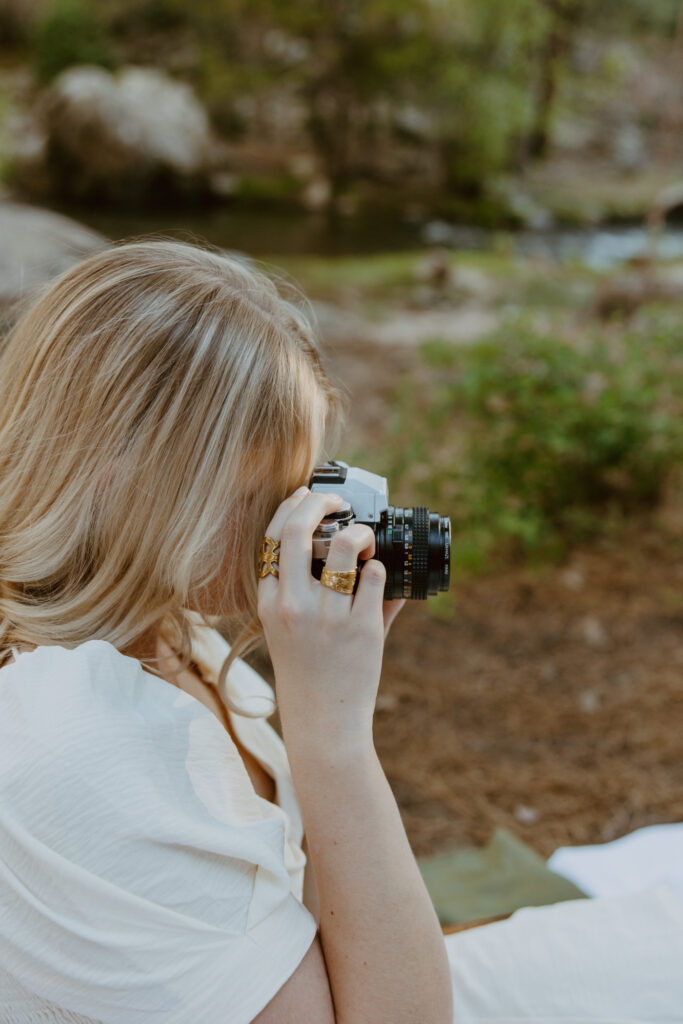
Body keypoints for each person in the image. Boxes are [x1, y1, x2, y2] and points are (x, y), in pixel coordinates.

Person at [0, 240, 454, 1023]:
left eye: (306, 486)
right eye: (265, 495)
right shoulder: (72, 749)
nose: (295, 526)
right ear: (128, 481)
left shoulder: (167, 636)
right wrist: (333, 736)